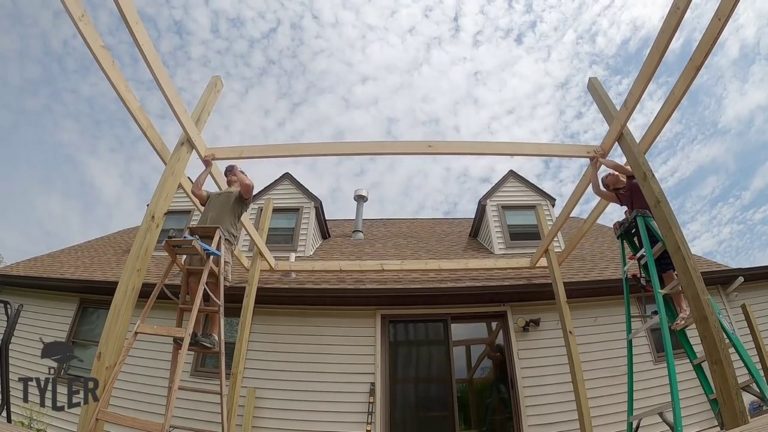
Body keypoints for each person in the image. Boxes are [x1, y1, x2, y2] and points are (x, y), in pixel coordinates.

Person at [589, 152, 692, 330]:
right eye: (606, 178)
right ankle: (681, 310)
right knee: (664, 273)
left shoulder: (631, 176)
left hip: (657, 225)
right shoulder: (620, 197)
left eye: (607, 173)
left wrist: (600, 160)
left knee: (668, 270)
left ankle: (684, 308)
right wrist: (593, 168)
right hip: (646, 232)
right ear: (609, 187)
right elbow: (597, 191)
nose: (609, 174)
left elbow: (618, 167)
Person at [179, 153, 254, 350]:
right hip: (199, 240)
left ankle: (212, 335)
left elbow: (249, 187)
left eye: (235, 174)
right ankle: (194, 333)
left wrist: (235, 168)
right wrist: (208, 168)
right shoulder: (214, 195)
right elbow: (196, 190)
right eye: (229, 173)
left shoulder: (240, 197)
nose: (231, 174)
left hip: (221, 241)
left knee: (214, 289)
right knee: (193, 284)